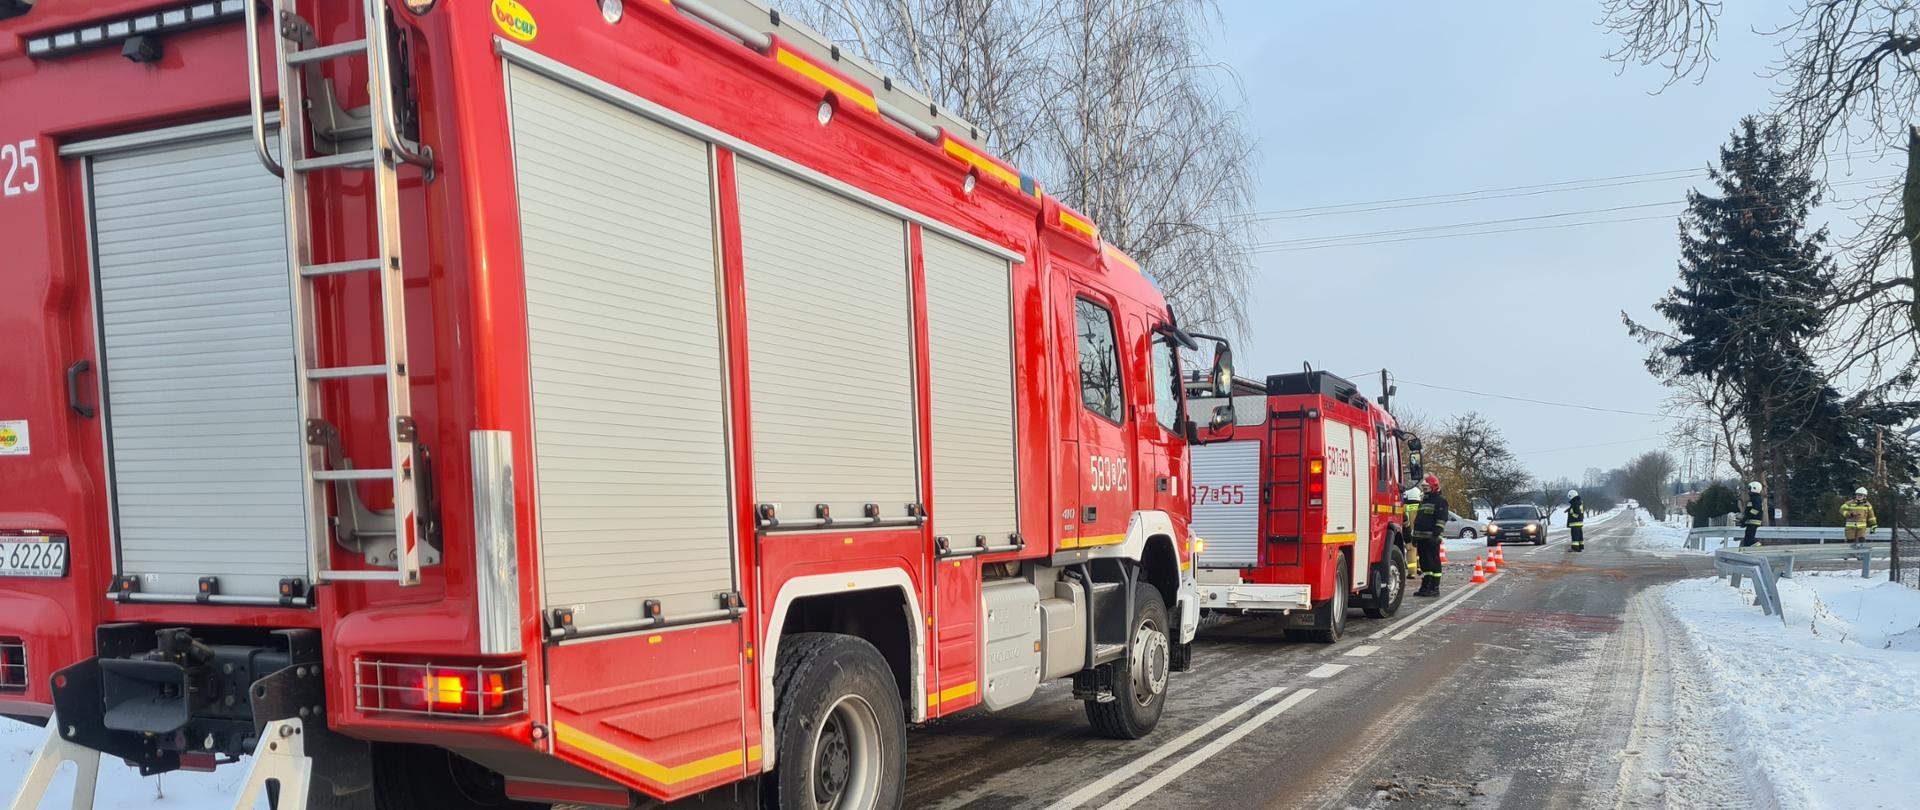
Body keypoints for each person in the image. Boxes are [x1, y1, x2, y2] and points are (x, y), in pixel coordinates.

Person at [1410, 474, 1448, 597]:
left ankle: (1434, 587)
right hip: (1421, 538)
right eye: (1424, 487)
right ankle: (1425, 586)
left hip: (1432, 538)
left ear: (1434, 487)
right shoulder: (1424, 501)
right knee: (1425, 564)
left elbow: (1442, 519)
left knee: (1433, 563)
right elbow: (1418, 521)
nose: (1425, 489)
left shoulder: (1440, 501)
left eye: (1427, 487)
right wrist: (1415, 537)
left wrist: (1436, 535)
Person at [1741, 481, 1764, 548]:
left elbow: (1756, 509)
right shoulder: (1755, 498)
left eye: (1749, 488)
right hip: (1752, 521)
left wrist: (1746, 517)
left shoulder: (1755, 498)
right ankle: (1748, 550)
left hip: (1754, 521)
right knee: (1748, 538)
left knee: (1749, 539)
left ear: (1754, 488)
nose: (1748, 490)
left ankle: (1758, 547)